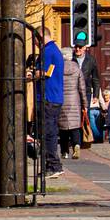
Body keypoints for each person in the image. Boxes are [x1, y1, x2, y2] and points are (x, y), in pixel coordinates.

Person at [39, 28, 64, 177]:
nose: (35, 44)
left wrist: (30, 73)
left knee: (48, 133)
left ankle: (53, 165)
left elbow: (45, 72)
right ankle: (52, 165)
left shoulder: (48, 51)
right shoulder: (54, 49)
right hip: (54, 97)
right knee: (50, 132)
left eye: (36, 40)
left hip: (48, 97)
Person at [58, 46, 87, 161]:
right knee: (75, 126)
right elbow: (82, 88)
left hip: (62, 100)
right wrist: (85, 104)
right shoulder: (76, 68)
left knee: (63, 128)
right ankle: (77, 144)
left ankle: (64, 151)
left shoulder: (58, 68)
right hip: (75, 101)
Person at [73, 43, 104, 144]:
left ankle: (85, 138)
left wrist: (95, 94)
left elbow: (95, 78)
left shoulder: (91, 60)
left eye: (80, 47)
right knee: (75, 114)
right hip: (73, 91)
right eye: (76, 47)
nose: (77, 49)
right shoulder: (71, 59)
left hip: (86, 91)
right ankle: (77, 140)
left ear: (85, 48)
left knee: (84, 113)